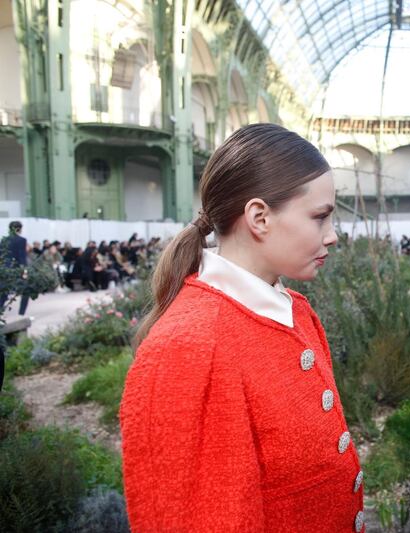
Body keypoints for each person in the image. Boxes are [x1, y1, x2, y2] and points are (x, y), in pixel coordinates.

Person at [120, 124, 365, 533]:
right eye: (320, 217)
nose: (332, 235)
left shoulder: (296, 312)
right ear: (259, 217)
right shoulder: (189, 348)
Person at [0, 220, 30, 316]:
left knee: (4, 291)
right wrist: (25, 271)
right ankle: (21, 313)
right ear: (19, 229)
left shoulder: (4, 240)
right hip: (16, 269)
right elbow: (22, 257)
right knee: (26, 290)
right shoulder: (22, 240)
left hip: (4, 268)